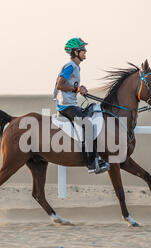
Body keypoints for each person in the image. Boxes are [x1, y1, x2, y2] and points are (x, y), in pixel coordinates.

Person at [53, 37, 110, 174]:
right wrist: (77, 89)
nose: (85, 51)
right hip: (66, 106)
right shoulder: (70, 66)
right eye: (83, 49)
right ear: (75, 52)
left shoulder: (76, 67)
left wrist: (80, 88)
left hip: (71, 104)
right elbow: (60, 85)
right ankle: (91, 162)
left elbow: (70, 85)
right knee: (88, 125)